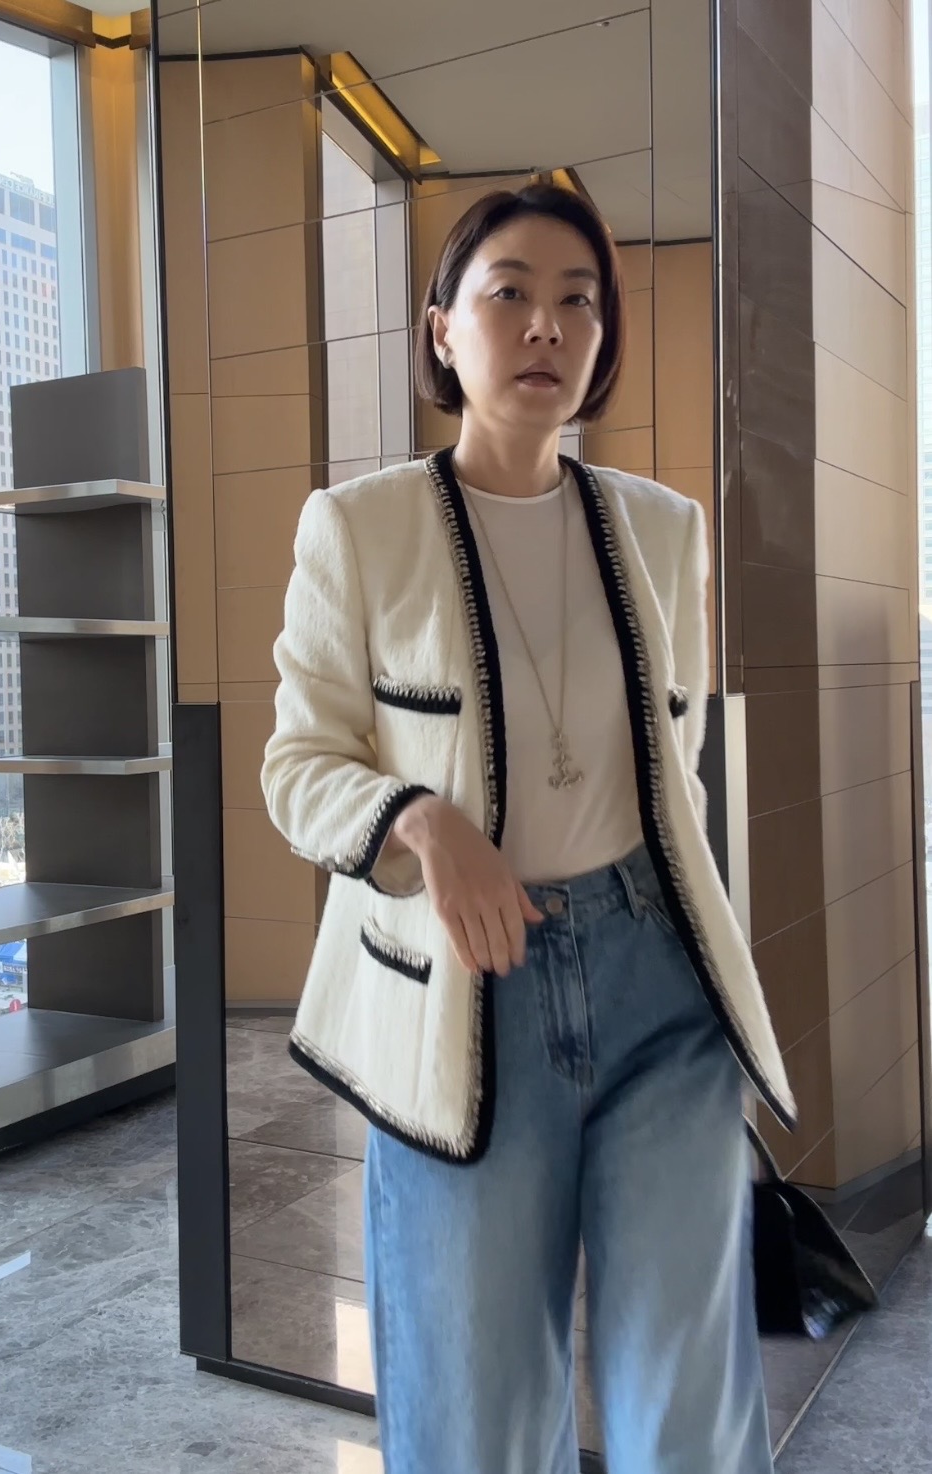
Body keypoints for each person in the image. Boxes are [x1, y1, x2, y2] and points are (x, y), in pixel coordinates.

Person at [261, 182, 794, 1474]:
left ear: (602, 338)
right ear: (443, 329)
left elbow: (674, 762)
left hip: (657, 983)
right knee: (476, 1405)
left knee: (688, 1399)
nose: (546, 325)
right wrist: (421, 819)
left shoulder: (664, 529)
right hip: (464, 997)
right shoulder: (361, 527)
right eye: (510, 293)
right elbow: (298, 764)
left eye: (577, 301)